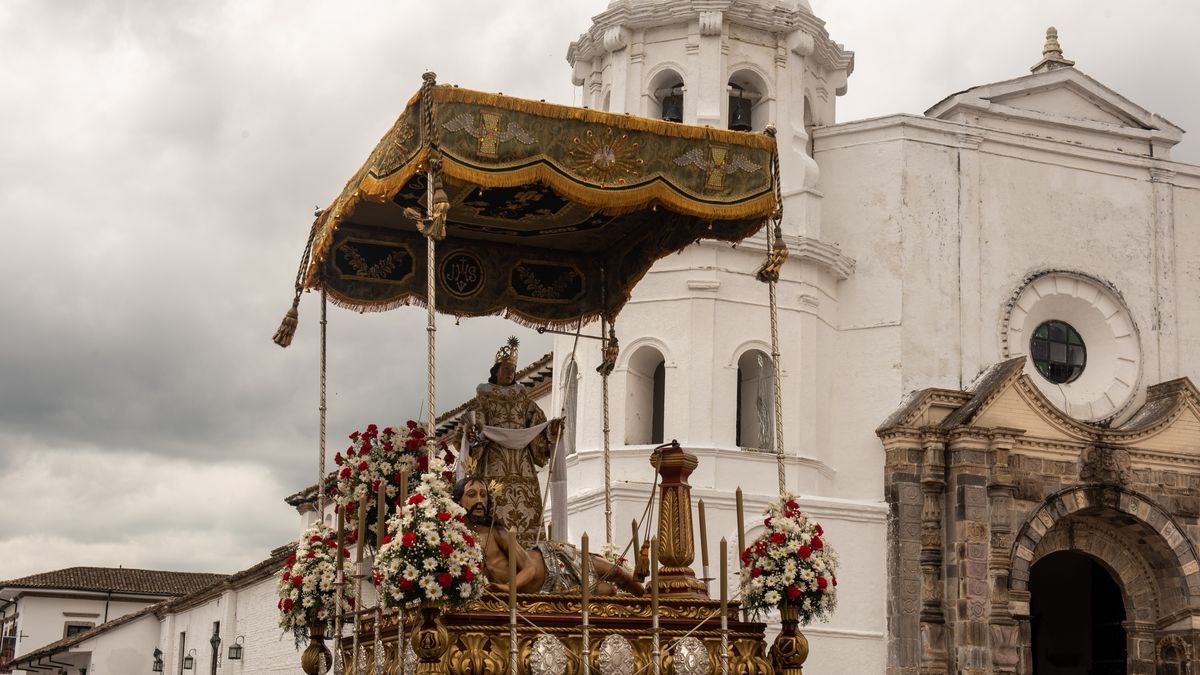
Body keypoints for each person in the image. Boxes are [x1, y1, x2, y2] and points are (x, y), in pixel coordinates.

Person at [452, 476, 644, 596]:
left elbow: (529, 569)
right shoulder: (456, 540)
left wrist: (507, 588)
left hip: (553, 559)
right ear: (458, 500)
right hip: (548, 588)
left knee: (617, 573)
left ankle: (651, 600)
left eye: (483, 495)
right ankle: (643, 608)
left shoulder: (497, 531)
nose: (479, 500)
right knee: (608, 591)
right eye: (472, 494)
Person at [463, 336, 562, 545]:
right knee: (492, 502)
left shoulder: (524, 401)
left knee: (526, 508)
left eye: (513, 370)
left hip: (522, 464)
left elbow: (538, 427)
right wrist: (474, 435)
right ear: (496, 371)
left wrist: (551, 430)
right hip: (494, 462)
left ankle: (530, 548)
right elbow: (473, 424)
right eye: (506, 369)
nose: (510, 374)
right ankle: (493, 544)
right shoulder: (484, 399)